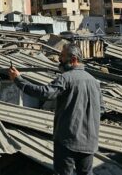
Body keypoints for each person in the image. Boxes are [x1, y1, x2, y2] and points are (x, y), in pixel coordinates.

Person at [8, 43, 103, 175]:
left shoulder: (66, 78)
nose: (59, 59)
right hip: (89, 141)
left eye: (62, 56)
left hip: (67, 141)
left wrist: (18, 80)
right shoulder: (94, 81)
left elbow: (45, 93)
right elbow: (101, 109)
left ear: (74, 59)